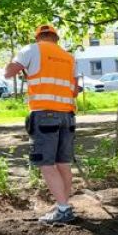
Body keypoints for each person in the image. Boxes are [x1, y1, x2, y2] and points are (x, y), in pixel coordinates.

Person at [5, 24, 81, 224]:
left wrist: (18, 64)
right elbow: (74, 90)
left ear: (39, 37)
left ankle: (63, 210)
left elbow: (8, 72)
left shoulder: (31, 49)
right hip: (67, 116)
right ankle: (63, 204)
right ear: (56, 38)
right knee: (63, 163)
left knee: (46, 164)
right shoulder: (69, 57)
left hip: (44, 114)